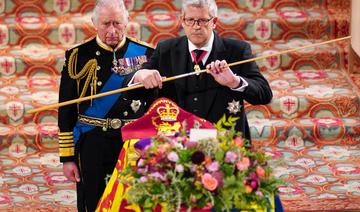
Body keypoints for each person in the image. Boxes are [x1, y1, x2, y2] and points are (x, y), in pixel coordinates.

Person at [57, 0, 154, 211]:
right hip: (93, 140)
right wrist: (68, 158)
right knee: (94, 200)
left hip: (132, 142)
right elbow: (66, 110)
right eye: (106, 24)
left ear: (127, 23)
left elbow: (156, 106)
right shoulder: (77, 56)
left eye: (118, 23)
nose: (112, 30)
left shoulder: (147, 55)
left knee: (133, 200)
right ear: (94, 23)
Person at [132, 0, 272, 141]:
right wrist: (140, 75)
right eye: (190, 20)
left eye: (203, 20)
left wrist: (235, 82)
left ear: (214, 22)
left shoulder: (237, 50)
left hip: (224, 142)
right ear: (182, 21)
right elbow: (136, 88)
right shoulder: (165, 49)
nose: (196, 27)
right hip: (175, 142)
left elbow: (265, 94)